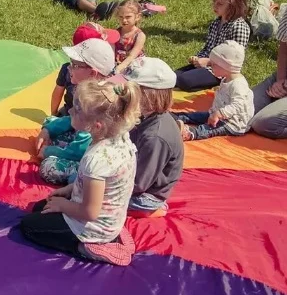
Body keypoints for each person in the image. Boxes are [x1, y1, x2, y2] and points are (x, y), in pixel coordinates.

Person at [20, 79, 141, 266]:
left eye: (77, 110)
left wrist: (63, 206)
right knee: (40, 208)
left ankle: (90, 247)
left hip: (93, 227)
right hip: (105, 214)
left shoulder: (97, 159)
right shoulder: (120, 138)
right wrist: (69, 189)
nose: (69, 111)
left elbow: (90, 211)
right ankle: (106, 235)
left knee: (29, 226)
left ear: (96, 125)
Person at [36, 38, 116, 185]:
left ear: (92, 73)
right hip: (87, 143)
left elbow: (79, 150)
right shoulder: (90, 89)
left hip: (99, 161)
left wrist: (49, 152)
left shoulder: (95, 102)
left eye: (74, 65)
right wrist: (49, 129)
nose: (68, 68)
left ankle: (79, 184)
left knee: (49, 167)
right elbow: (72, 118)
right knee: (52, 124)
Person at [121, 57, 183, 218]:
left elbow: (139, 183)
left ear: (147, 95)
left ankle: (148, 210)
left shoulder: (155, 136)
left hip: (146, 196)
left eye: (129, 89)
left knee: (91, 196)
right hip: (133, 172)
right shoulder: (146, 114)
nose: (124, 93)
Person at [174, 0, 250, 92]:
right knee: (172, 77)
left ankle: (216, 87)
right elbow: (207, 48)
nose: (215, 6)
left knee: (184, 80)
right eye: (214, 2)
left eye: (220, 4)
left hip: (221, 72)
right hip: (205, 66)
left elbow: (235, 59)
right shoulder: (216, 23)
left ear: (233, 6)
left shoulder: (239, 26)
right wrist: (197, 58)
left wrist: (209, 62)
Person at [175, 40, 253, 141]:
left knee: (209, 128)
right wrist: (216, 113)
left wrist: (219, 113)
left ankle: (189, 133)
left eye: (213, 65)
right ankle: (175, 117)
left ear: (226, 66)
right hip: (217, 114)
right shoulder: (226, 79)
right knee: (196, 116)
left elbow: (238, 105)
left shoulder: (238, 85)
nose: (210, 66)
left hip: (233, 123)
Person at [50, 22, 119, 117]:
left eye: (74, 65)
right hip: (72, 114)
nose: (69, 67)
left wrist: (53, 114)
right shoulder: (113, 76)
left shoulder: (106, 94)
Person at [250, 11, 287, 139]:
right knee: (241, 108)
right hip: (283, 77)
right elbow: (284, 49)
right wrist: (280, 80)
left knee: (263, 123)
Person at [114, 0, 146, 74]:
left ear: (137, 17)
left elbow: (132, 56)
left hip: (134, 65)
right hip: (116, 64)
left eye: (128, 17)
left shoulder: (139, 35)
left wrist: (119, 68)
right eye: (121, 17)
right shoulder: (116, 33)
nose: (124, 20)